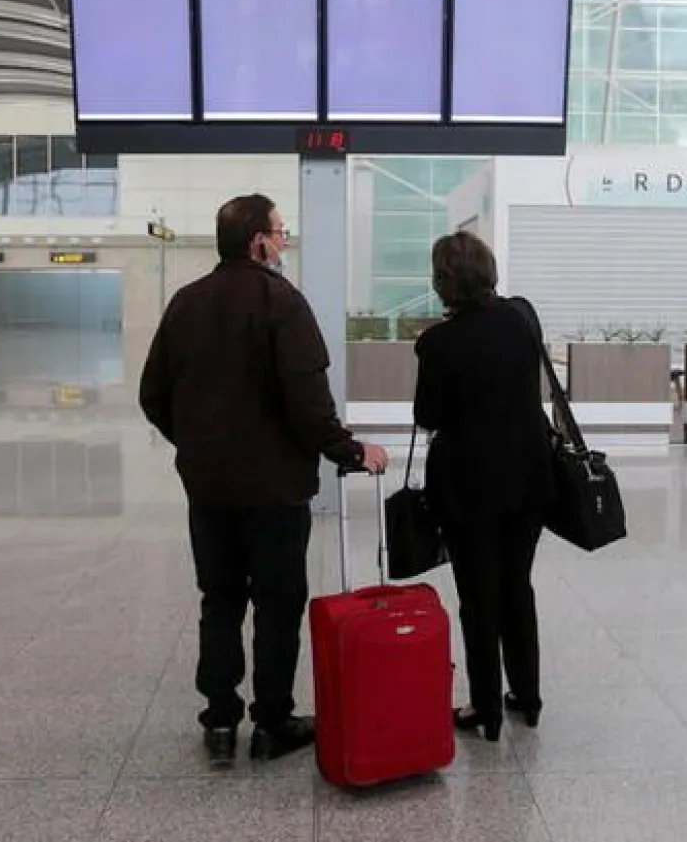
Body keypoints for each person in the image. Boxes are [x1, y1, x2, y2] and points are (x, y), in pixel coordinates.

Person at [139, 193, 389, 768]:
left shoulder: (185, 303)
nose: (284, 242)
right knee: (278, 602)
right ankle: (273, 721)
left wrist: (198, 445)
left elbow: (152, 394)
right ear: (257, 241)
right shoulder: (283, 302)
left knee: (219, 598)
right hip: (276, 491)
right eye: (280, 233)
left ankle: (221, 720)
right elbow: (309, 403)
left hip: (209, 488)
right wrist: (350, 450)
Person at [413, 231, 552, 743]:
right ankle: (529, 697)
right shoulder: (522, 319)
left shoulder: (439, 343)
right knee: (517, 584)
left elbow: (427, 416)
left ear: (443, 281)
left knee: (478, 595)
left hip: (467, 484)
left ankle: (486, 708)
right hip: (529, 476)